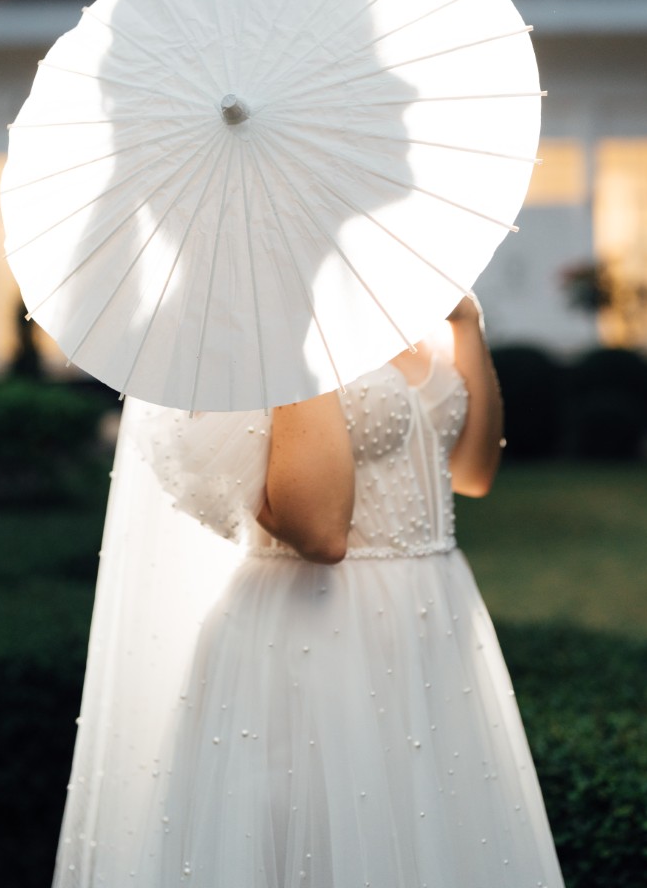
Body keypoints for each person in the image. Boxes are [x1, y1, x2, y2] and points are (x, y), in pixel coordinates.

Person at [52, 295, 565, 887]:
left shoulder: (404, 308)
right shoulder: (268, 333)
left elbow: (474, 473)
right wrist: (300, 345)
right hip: (320, 630)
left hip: (436, 614)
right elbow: (322, 535)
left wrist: (468, 328)